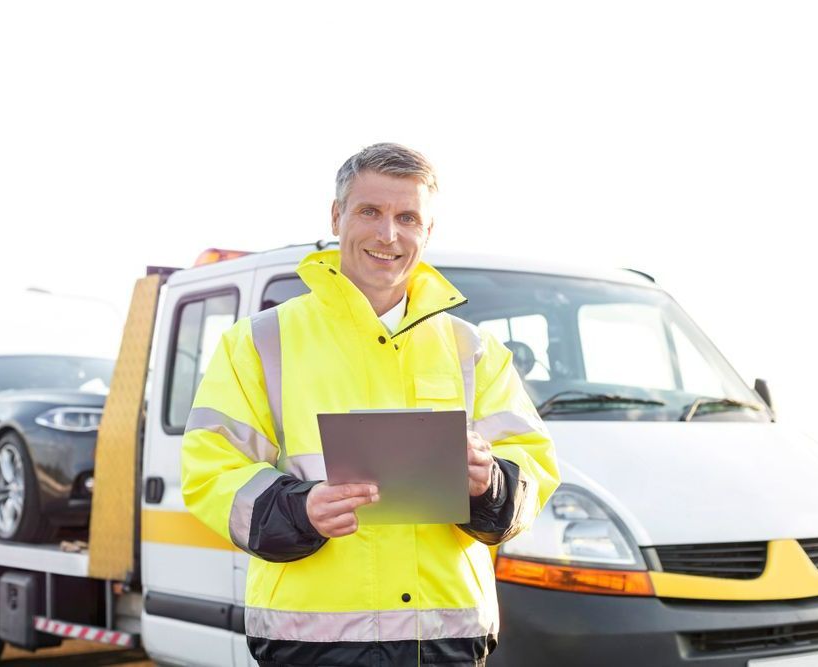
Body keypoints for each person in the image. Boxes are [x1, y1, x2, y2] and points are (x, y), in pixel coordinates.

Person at [181, 143, 560, 666]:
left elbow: (533, 471)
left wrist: (489, 483)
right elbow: (209, 473)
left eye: (408, 217)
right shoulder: (261, 341)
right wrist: (301, 508)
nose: (388, 235)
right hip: (309, 642)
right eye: (369, 212)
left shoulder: (474, 349)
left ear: (428, 232)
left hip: (445, 639)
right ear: (337, 216)